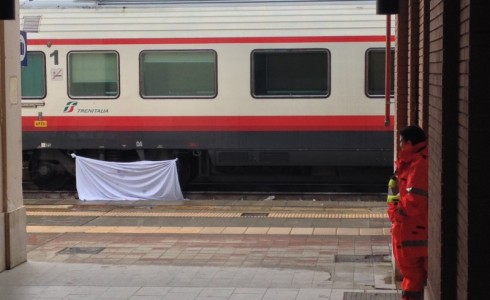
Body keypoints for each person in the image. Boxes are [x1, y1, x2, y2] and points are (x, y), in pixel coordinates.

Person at [387, 125, 429, 300]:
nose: (400, 146)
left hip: (412, 229)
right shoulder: (410, 161)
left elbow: (414, 202)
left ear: (410, 143)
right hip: (407, 227)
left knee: (412, 276)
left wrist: (397, 215)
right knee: (410, 275)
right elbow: (397, 191)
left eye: (402, 142)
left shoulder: (419, 164)